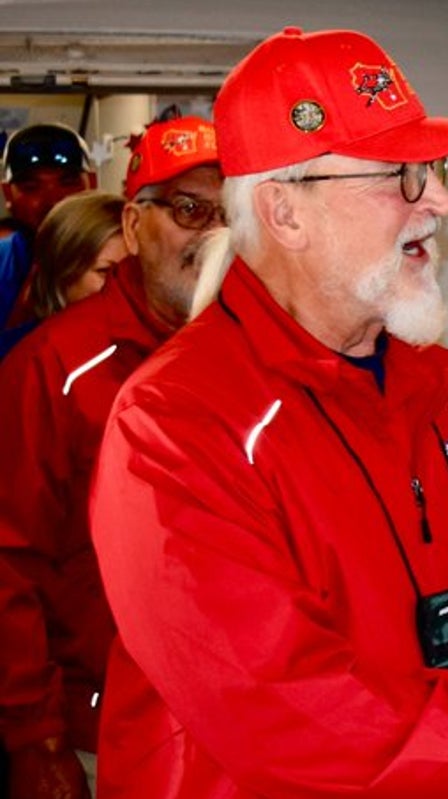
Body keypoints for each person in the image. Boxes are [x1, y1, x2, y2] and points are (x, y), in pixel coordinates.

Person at [87, 27, 448, 799]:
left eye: (434, 168)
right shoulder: (175, 424)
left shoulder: (444, 399)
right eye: (402, 174)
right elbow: (284, 714)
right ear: (284, 212)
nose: (442, 201)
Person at [0, 112, 222, 799]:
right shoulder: (54, 364)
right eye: (189, 209)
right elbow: (8, 558)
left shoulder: (249, 358)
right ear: (132, 227)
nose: (212, 235)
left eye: (228, 214)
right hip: (100, 736)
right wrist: (37, 738)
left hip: (230, 729)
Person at [0, 190, 127, 360]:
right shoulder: (19, 359)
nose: (126, 283)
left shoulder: (150, 349)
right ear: (62, 273)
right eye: (106, 271)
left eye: (136, 270)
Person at [0, 123, 96, 329]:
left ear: (93, 184)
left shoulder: (126, 260)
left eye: (68, 183)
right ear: (8, 194)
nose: (53, 200)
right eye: (32, 187)